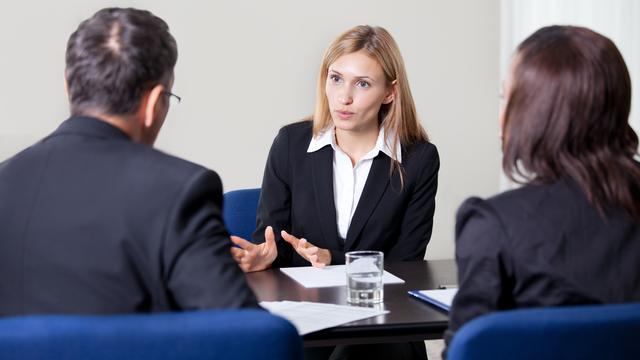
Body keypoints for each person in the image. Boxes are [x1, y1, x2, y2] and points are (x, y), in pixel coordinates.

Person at [0, 7, 257, 315]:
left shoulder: (6, 179)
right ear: (153, 103)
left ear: (69, 86)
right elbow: (246, 333)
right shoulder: (181, 191)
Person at [231, 25, 438, 360]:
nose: (344, 97)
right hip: (306, 317)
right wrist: (265, 258)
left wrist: (333, 262)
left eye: (363, 84)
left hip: (383, 321)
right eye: (336, 78)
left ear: (389, 92)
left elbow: (406, 268)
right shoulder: (291, 144)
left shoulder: (417, 159)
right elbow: (272, 243)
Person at [445, 25, 640, 352]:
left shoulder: (494, 226)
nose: (501, 113)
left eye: (506, 97)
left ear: (533, 113)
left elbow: (469, 349)